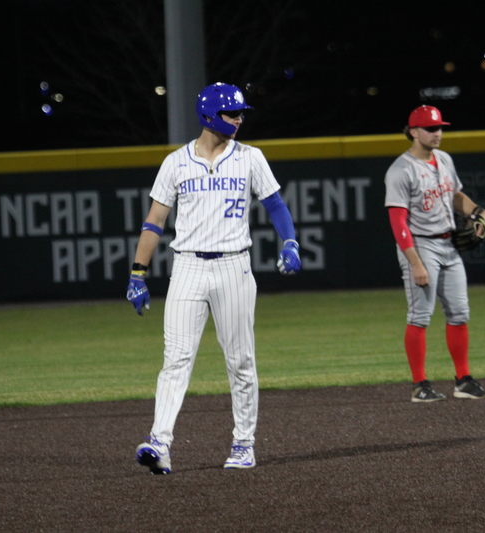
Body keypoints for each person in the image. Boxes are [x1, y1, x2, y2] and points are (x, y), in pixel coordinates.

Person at [126, 82, 301, 474]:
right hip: (187, 266)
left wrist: (289, 241)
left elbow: (275, 205)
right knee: (176, 359)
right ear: (208, 115)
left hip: (233, 267)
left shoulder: (250, 158)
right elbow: (154, 222)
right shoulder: (176, 162)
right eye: (232, 114)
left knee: (240, 360)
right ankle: (160, 444)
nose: (239, 119)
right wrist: (138, 272)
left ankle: (243, 443)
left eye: (241, 113)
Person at [383, 105, 485, 403]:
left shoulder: (444, 159)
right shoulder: (400, 170)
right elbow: (397, 222)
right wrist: (415, 262)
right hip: (420, 245)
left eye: (440, 128)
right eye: (431, 129)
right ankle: (420, 385)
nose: (438, 133)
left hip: (449, 244)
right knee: (420, 316)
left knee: (459, 312)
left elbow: (454, 195)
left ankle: (464, 381)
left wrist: (476, 210)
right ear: (414, 132)